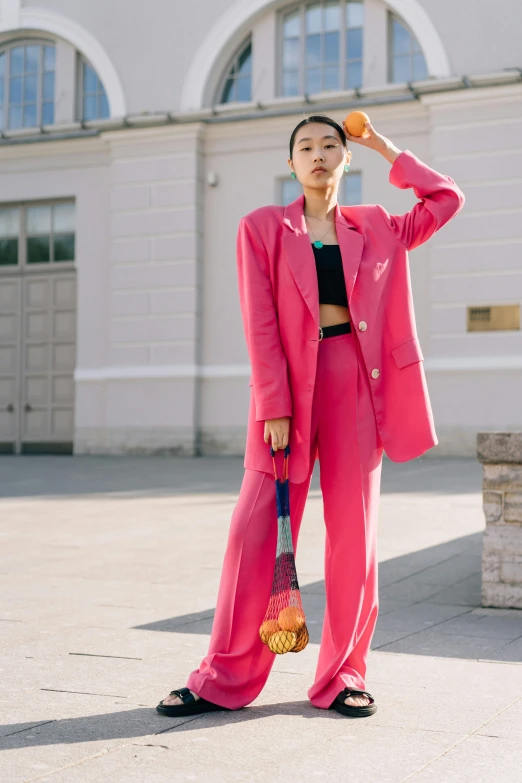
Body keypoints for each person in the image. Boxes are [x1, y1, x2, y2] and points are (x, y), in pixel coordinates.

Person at [157, 114, 465, 719]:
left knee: (355, 537)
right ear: (291, 163)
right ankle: (221, 676)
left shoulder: (377, 225)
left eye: (331, 146)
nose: (319, 154)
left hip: (358, 385)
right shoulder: (262, 229)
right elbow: (260, 321)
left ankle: (344, 675)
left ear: (345, 160)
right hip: (288, 394)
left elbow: (446, 199)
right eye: (306, 147)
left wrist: (382, 146)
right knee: (253, 536)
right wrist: (272, 402)